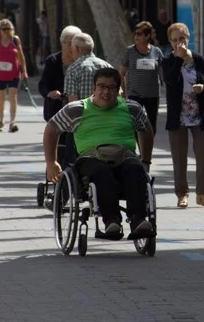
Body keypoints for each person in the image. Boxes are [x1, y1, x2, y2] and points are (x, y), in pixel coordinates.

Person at [43, 67, 155, 240]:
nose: (106, 91)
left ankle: (138, 219)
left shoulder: (131, 108)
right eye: (101, 86)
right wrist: (51, 162)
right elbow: (51, 129)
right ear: (94, 88)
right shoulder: (77, 109)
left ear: (119, 90)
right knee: (101, 172)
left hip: (124, 156)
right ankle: (111, 221)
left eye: (111, 87)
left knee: (136, 169)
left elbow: (146, 130)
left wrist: (146, 161)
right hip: (91, 158)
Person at [161, 22, 204, 209]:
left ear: (188, 39)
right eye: (174, 40)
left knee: (202, 155)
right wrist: (178, 58)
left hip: (199, 115)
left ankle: (202, 194)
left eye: (182, 39)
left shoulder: (199, 59)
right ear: (170, 42)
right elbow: (170, 80)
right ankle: (182, 195)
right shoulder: (168, 60)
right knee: (179, 158)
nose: (179, 43)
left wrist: (203, 87)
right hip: (178, 117)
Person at [120, 21, 164, 134]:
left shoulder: (156, 51)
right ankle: (138, 148)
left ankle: (147, 149)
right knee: (134, 123)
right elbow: (122, 73)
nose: (136, 36)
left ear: (147, 35)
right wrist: (124, 92)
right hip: (135, 94)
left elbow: (162, 72)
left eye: (139, 34)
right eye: (135, 34)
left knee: (151, 124)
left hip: (152, 94)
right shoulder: (129, 51)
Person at [0, 18, 27, 133]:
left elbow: (21, 56)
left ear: (11, 29)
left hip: (14, 72)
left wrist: (24, 71)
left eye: (7, 29)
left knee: (12, 96)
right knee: (1, 97)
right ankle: (1, 121)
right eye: (2, 29)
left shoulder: (15, 40)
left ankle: (13, 121)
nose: (5, 31)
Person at [39, 25, 81, 121]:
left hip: (77, 113)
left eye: (77, 44)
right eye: (70, 43)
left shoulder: (82, 62)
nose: (73, 47)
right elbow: (42, 85)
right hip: (56, 112)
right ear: (62, 43)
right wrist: (49, 93)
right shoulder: (52, 61)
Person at [64, 32, 112, 102]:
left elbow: (73, 102)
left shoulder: (73, 70)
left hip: (84, 112)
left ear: (77, 49)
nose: (72, 52)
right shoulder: (107, 66)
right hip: (106, 112)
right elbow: (118, 95)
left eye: (72, 49)